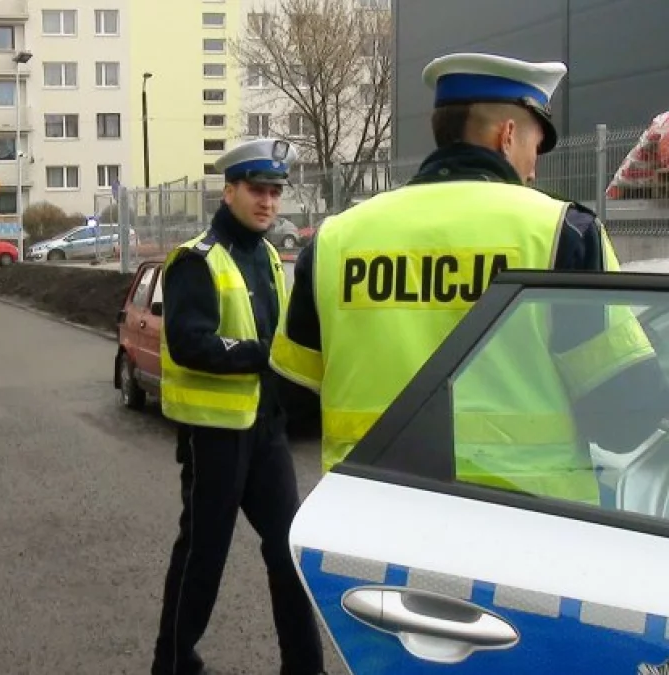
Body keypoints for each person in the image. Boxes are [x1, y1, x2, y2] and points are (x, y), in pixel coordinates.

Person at [270, 53, 668, 502]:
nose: (534, 169)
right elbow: (624, 418)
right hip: (525, 530)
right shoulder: (563, 233)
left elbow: (295, 400)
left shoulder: (336, 238)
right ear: (508, 134)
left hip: (366, 520)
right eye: (535, 148)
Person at [152, 138, 326, 675]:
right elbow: (189, 341)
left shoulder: (270, 256)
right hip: (215, 437)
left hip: (266, 432)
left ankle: (304, 667)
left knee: (288, 552)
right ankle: (175, 665)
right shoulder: (195, 261)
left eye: (275, 191)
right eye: (257, 189)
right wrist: (264, 357)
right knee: (203, 557)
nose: (268, 201)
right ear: (229, 191)